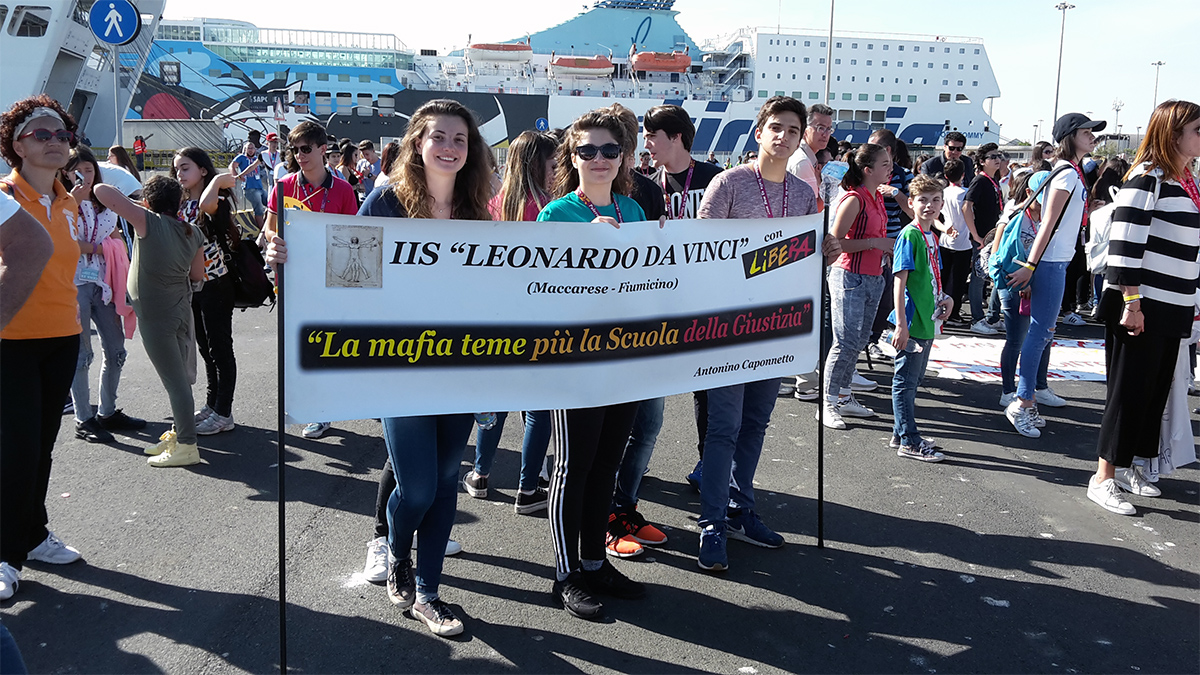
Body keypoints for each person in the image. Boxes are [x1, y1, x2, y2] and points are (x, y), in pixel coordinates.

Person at [272, 99, 491, 637]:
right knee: (416, 487)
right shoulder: (387, 201)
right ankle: (396, 554)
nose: (449, 147)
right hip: (399, 367)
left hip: (459, 368)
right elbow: (348, 275)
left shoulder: (478, 210)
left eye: (460, 139)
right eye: (438, 136)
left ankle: (432, 592)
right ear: (418, 142)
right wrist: (292, 255)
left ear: (472, 150)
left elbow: (501, 285)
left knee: (444, 483)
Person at [695, 96, 818, 572]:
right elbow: (700, 250)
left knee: (756, 423)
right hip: (728, 325)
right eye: (776, 127)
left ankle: (742, 507)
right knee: (723, 427)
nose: (784, 136)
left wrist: (821, 247)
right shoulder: (729, 183)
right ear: (758, 132)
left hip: (776, 327)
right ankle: (711, 523)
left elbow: (803, 260)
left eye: (793, 129)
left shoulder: (804, 194)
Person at [537, 108, 647, 620]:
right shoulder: (556, 215)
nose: (598, 159)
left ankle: (593, 559)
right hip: (573, 360)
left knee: (607, 463)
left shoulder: (634, 209)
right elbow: (542, 292)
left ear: (623, 156)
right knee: (572, 467)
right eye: (587, 151)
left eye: (609, 150)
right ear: (572, 157)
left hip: (624, 358)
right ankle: (565, 574)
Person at [1089, 100, 1200, 515]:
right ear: (1173, 135)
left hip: (1173, 303)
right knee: (1129, 391)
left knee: (1155, 394)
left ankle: (1136, 464)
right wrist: (1132, 302)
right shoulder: (1147, 177)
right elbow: (1124, 245)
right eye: (1197, 130)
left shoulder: (1186, 179)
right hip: (1141, 303)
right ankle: (1103, 476)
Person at [0, 96, 87, 601]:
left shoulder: (71, 200)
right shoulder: (3, 198)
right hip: (10, 339)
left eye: (62, 134)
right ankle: (7, 551)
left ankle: (33, 535)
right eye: (41, 134)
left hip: (62, 335)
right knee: (15, 450)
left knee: (42, 447)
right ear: (16, 144)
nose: (55, 142)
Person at [460, 130, 557, 515]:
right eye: (553, 164)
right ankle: (528, 487)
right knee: (538, 409)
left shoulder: (492, 205)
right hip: (539, 320)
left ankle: (481, 473)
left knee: (496, 401)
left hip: (497, 320)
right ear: (537, 164)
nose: (556, 171)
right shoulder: (550, 210)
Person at [1004, 113, 1106, 439]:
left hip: (1054, 262)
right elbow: (1048, 222)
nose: (1093, 137)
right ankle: (1022, 401)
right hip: (1048, 262)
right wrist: (1032, 266)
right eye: (1086, 132)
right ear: (1070, 136)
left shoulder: (1071, 172)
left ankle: (1027, 399)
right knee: (1039, 333)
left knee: (1042, 332)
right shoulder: (1066, 174)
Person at [94, 176, 206, 466]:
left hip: (157, 316)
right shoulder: (192, 231)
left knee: (175, 382)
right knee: (178, 377)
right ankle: (179, 432)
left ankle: (187, 445)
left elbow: (101, 191)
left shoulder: (148, 222)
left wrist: (138, 207)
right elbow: (196, 275)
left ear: (148, 202)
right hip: (180, 307)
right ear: (179, 201)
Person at [262, 120, 358, 439]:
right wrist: (272, 240)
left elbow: (353, 237)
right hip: (291, 279)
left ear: (322, 149)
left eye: (306, 149)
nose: (299, 155)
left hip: (329, 280)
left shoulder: (343, 190)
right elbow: (268, 228)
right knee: (296, 348)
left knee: (325, 346)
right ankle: (308, 404)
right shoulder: (284, 186)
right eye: (295, 150)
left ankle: (323, 410)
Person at [64, 146, 146, 444]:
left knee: (116, 350)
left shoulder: (103, 201)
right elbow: (66, 243)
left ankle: (108, 411)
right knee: (83, 354)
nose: (84, 176)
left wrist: (110, 249)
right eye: (77, 171)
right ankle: (83, 418)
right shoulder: (62, 202)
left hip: (104, 280)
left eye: (88, 170)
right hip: (73, 283)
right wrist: (103, 248)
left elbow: (115, 237)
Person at [821, 142, 893, 429]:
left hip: (873, 276)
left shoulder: (875, 196)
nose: (890, 168)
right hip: (849, 276)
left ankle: (844, 395)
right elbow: (834, 244)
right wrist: (876, 243)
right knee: (846, 341)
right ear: (867, 170)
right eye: (885, 164)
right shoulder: (854, 199)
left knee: (860, 340)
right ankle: (827, 402)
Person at [172, 147, 240, 435]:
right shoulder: (181, 202)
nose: (179, 174)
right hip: (194, 285)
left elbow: (206, 205)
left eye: (185, 167)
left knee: (220, 348)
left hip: (216, 283)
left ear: (202, 169)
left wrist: (217, 179)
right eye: (177, 169)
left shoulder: (214, 199)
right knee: (205, 348)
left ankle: (224, 413)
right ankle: (213, 405)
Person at [888, 174, 952, 462]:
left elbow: (931, 278)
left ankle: (901, 432)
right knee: (905, 381)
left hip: (927, 320)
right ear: (910, 203)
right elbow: (900, 281)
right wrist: (901, 324)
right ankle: (910, 441)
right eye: (923, 200)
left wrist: (946, 298)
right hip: (912, 322)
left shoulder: (931, 236)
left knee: (913, 380)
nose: (930, 206)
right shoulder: (910, 235)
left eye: (935, 200)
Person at [989, 170, 1056, 417]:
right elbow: (999, 253)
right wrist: (1020, 281)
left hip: (1040, 283)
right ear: (1030, 193)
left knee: (1043, 336)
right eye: (1045, 194)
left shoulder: (1052, 217)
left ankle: (1040, 386)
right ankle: (1008, 389)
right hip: (1013, 283)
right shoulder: (1015, 214)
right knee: (1017, 339)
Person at [962, 142, 1007, 335]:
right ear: (982, 161)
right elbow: (966, 206)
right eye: (992, 157)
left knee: (997, 276)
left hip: (993, 236)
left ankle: (993, 316)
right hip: (983, 237)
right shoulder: (980, 180)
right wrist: (975, 235)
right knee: (979, 278)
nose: (997, 159)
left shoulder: (993, 180)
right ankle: (977, 318)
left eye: (998, 156)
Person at [935, 158, 972, 324]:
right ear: (963, 175)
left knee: (942, 278)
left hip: (945, 238)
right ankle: (954, 313)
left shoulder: (942, 193)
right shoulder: (966, 193)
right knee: (958, 280)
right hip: (964, 241)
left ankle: (938, 309)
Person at [786, 103, 834, 208]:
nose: (825, 134)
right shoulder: (803, 162)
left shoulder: (801, 156)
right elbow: (813, 208)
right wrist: (827, 189)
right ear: (805, 129)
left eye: (829, 129)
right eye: (820, 128)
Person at [230, 142, 266, 230]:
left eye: (252, 148)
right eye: (248, 148)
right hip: (250, 187)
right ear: (245, 149)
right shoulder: (241, 157)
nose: (250, 150)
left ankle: (266, 226)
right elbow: (231, 166)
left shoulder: (256, 159)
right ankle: (262, 230)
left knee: (271, 204)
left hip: (259, 186)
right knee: (259, 208)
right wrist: (237, 175)